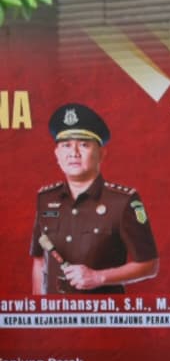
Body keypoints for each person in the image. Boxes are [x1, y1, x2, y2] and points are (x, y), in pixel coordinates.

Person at [30, 102, 159, 295]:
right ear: (57, 154)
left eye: (84, 145)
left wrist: (99, 277)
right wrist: (38, 309)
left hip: (103, 311)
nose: (74, 153)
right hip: (55, 312)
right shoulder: (45, 198)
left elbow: (149, 265)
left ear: (101, 153)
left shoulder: (122, 201)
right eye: (66, 145)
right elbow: (40, 262)